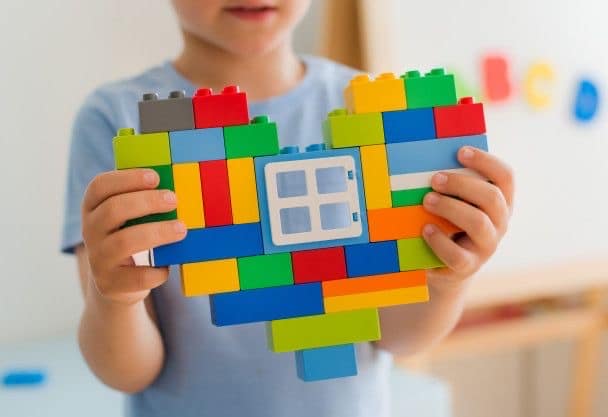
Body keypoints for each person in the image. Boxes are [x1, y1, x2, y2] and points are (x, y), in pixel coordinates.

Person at [61, 1, 514, 416]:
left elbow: (395, 336)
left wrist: (448, 279)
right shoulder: (116, 119)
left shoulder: (370, 110)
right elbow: (129, 371)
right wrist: (115, 299)